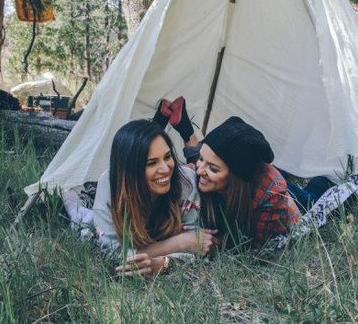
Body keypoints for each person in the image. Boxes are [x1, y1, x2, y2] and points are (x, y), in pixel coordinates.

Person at [156, 98, 302, 249]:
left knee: (311, 194)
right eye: (201, 158)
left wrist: (215, 241)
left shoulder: (269, 197)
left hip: (293, 202)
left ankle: (323, 181)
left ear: (236, 176)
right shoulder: (204, 175)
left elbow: (255, 249)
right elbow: (186, 175)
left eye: (213, 168)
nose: (199, 170)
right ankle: (186, 130)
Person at [91, 119, 217, 276]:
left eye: (167, 156)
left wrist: (164, 263)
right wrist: (179, 243)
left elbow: (200, 246)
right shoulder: (110, 185)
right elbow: (113, 254)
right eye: (151, 163)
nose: (165, 169)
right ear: (130, 170)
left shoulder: (186, 182)